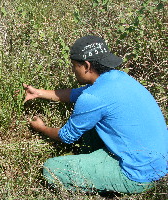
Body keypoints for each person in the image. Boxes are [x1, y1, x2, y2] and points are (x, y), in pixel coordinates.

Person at [23, 35, 168, 194]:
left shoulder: (92, 98)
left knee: (52, 169)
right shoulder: (119, 77)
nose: (73, 70)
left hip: (139, 176)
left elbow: (66, 136)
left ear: (86, 66)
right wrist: (38, 93)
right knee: (91, 127)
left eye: (74, 66)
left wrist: (41, 128)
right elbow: (74, 94)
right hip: (161, 162)